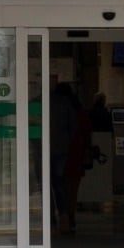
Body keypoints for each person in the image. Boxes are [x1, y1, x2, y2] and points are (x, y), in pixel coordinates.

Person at [50, 82, 82, 234]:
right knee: (59, 183)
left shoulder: (44, 102)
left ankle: (50, 219)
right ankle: (64, 216)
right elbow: (74, 126)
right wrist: (66, 141)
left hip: (45, 148)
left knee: (46, 184)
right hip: (62, 149)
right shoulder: (67, 104)